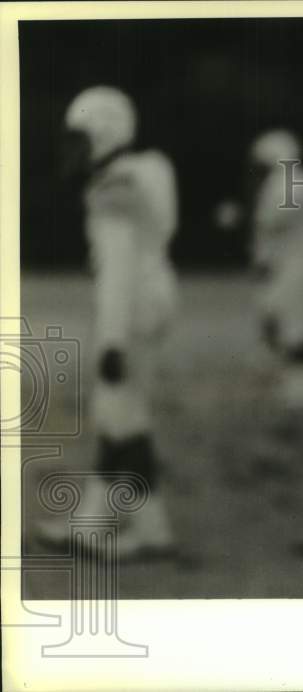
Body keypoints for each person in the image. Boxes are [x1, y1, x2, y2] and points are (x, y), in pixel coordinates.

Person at [38, 86, 178, 557]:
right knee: (116, 412)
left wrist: (111, 340)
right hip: (152, 298)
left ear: (103, 132)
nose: (72, 150)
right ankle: (92, 522)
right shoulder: (145, 172)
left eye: (80, 138)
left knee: (124, 416)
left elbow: (117, 269)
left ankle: (152, 530)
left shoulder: (114, 184)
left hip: (131, 310)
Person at [243, 129, 303, 411]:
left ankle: (300, 392)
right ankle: (297, 386)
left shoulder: (283, 184)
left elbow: (269, 224)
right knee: (292, 325)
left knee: (293, 328)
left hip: (290, 266)